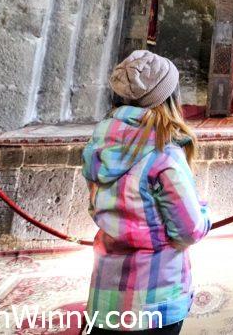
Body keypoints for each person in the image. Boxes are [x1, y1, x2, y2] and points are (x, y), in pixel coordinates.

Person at [83, 50, 211, 334]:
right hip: (154, 299)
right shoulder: (164, 155)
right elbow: (189, 229)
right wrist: (204, 213)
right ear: (168, 98)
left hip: (106, 295)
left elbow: (96, 209)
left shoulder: (98, 145)